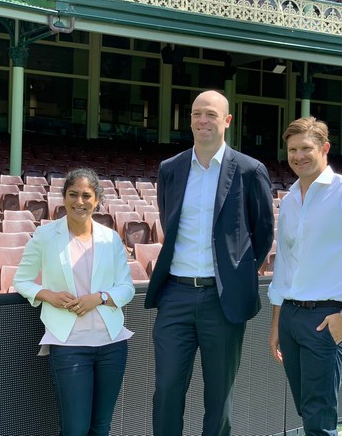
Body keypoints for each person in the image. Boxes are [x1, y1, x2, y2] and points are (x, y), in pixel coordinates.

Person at [145, 90, 274, 436]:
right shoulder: (170, 169)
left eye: (211, 115)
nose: (203, 120)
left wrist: (234, 275)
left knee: (219, 397)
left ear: (227, 121)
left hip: (223, 301)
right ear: (189, 119)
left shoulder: (250, 170)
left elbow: (262, 234)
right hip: (175, 296)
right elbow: (168, 221)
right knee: (167, 390)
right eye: (197, 113)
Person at [268, 117, 342, 436]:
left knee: (319, 414)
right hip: (292, 316)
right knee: (307, 409)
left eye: (306, 148)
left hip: (329, 317)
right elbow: (286, 266)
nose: (298, 156)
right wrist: (277, 322)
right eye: (292, 149)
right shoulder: (291, 199)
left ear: (325, 148)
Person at [14, 167, 135, 436]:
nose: (79, 202)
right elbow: (22, 281)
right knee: (75, 429)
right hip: (69, 345)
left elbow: (126, 288)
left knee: (101, 427)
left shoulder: (110, 238)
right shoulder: (45, 236)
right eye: (73, 194)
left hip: (112, 345)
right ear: (64, 197)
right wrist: (49, 295)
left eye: (86, 195)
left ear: (97, 200)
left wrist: (101, 298)